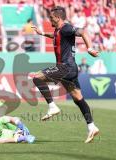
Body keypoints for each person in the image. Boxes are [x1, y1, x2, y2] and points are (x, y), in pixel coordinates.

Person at [32, 6, 99, 143]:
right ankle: (92, 127)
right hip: (70, 69)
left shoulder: (66, 28)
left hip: (65, 68)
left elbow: (83, 31)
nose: (49, 19)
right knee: (78, 98)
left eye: (51, 17)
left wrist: (90, 48)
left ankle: (52, 106)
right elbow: (55, 36)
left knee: (37, 78)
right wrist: (42, 33)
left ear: (58, 17)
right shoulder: (58, 30)